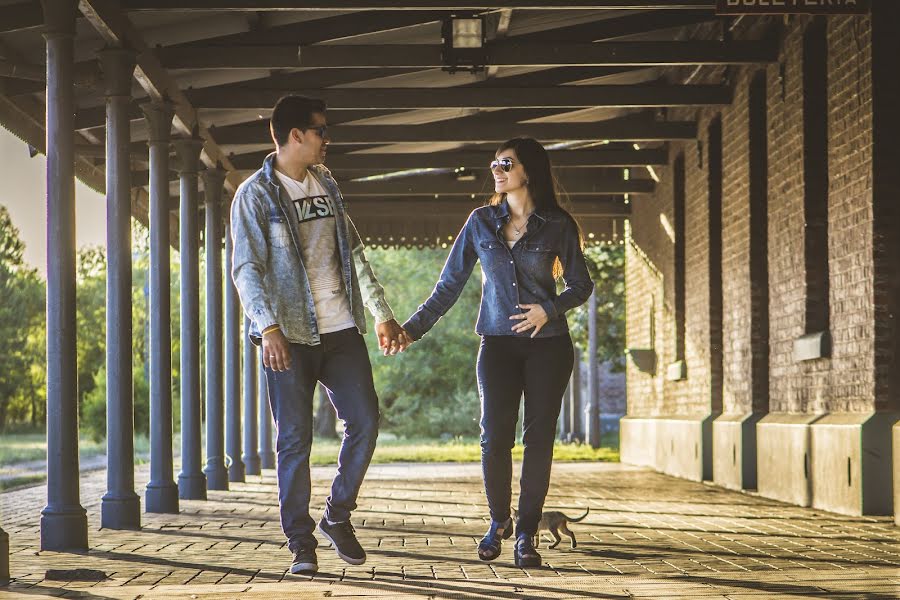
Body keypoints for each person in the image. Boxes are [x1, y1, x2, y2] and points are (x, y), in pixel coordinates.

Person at [230, 94, 410, 575]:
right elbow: (246, 269)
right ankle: (300, 543)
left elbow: (352, 251)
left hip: (340, 328)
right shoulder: (255, 195)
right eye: (321, 130)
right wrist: (267, 326)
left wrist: (380, 311)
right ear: (295, 135)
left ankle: (337, 514)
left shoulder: (327, 184)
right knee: (294, 441)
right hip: (287, 335)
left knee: (366, 422)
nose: (327, 139)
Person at [401, 137, 593, 567]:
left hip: (549, 348)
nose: (497, 169)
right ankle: (498, 522)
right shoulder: (481, 222)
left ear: (529, 171)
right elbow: (449, 285)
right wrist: (411, 330)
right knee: (493, 438)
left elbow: (581, 285)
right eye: (494, 163)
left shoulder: (558, 224)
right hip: (497, 345)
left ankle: (527, 534)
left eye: (506, 163)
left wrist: (550, 308)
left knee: (539, 439)